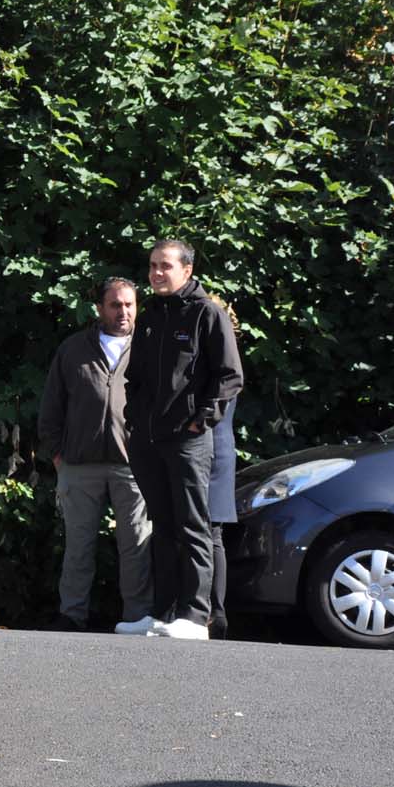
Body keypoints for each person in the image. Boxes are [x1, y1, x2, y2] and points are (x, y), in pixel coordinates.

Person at [121, 238, 244, 641]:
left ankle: (195, 615)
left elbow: (229, 377)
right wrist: (134, 420)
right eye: (153, 265)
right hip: (149, 440)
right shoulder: (152, 314)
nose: (157, 273)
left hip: (189, 440)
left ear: (187, 270)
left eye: (166, 266)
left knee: (194, 526)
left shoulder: (207, 313)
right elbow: (134, 377)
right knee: (164, 526)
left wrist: (200, 421)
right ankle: (163, 613)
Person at [36, 277, 153, 632]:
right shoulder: (73, 349)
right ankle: (72, 615)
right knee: (78, 545)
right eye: (116, 305)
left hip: (134, 465)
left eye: (130, 305)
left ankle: (138, 616)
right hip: (79, 465)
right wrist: (57, 456)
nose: (123, 312)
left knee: (136, 545)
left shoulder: (150, 347)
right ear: (100, 308)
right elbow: (51, 407)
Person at [207, 295, 241, 640]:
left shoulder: (217, 360)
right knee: (210, 535)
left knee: (207, 534)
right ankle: (213, 611)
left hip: (209, 449)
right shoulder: (226, 357)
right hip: (221, 449)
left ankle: (212, 612)